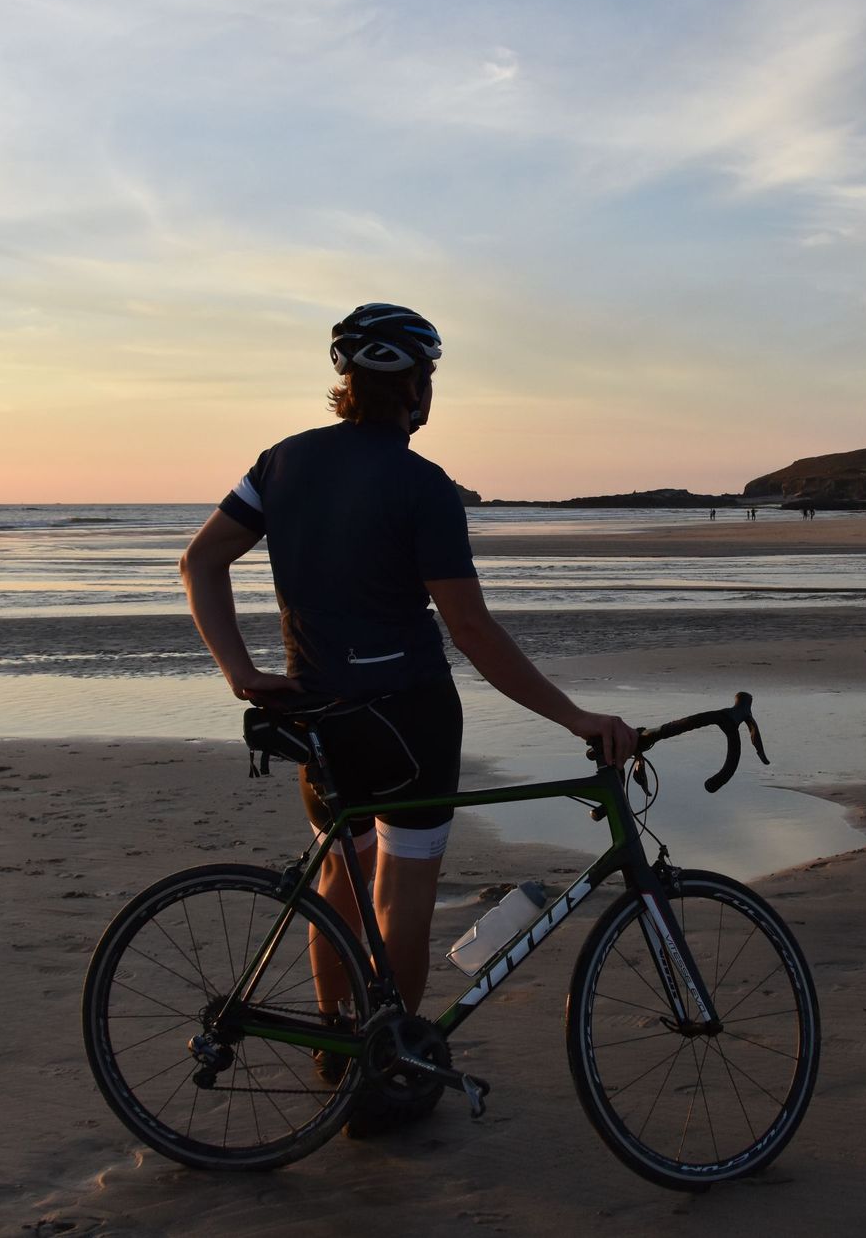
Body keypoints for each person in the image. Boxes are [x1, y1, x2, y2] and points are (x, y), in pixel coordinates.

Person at [179, 302, 638, 1035]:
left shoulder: (281, 462)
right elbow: (470, 629)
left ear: (347, 382)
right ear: (418, 387)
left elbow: (200, 561)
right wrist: (575, 717)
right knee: (402, 900)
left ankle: (339, 1047)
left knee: (339, 882)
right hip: (409, 724)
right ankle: (388, 1058)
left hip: (320, 716)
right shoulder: (423, 484)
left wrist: (240, 670)